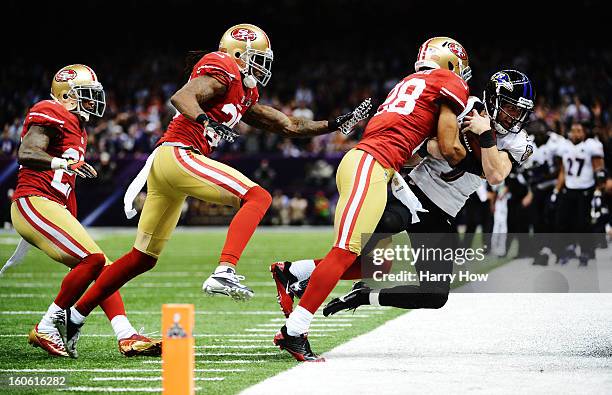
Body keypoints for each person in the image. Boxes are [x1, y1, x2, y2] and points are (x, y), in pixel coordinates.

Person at [55, 24, 371, 358]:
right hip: (179, 153)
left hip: (170, 165)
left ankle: (74, 316)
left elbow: (289, 125)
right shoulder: (222, 67)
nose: (263, 65)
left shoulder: (244, 91)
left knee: (141, 258)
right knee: (258, 196)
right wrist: (205, 121)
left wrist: (335, 124)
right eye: (257, 58)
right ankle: (225, 270)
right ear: (237, 54)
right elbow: (183, 96)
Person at [272, 70, 535, 324]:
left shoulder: (519, 140)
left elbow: (496, 173)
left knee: (434, 295)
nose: (515, 116)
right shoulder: (464, 107)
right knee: (365, 248)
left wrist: (485, 134)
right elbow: (432, 147)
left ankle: (363, 295)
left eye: (520, 111)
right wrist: (465, 148)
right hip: (414, 193)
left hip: (443, 212)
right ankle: (295, 275)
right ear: (493, 99)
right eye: (511, 107)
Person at [272, 37, 472, 361]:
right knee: (343, 252)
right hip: (371, 163)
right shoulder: (447, 81)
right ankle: (295, 331)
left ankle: (294, 273)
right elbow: (450, 149)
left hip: (382, 169)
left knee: (377, 264)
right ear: (450, 64)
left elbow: (411, 147)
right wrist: (480, 158)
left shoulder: (407, 84)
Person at [9, 65, 160, 358]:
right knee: (93, 259)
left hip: (53, 203)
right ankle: (47, 325)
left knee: (104, 268)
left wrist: (70, 218)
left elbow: (67, 187)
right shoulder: (49, 110)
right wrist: (61, 163)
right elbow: (26, 152)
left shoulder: (78, 128)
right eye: (86, 95)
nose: (93, 102)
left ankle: (126, 335)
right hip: (33, 200)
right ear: (66, 96)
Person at [552, 122, 605, 265]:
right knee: (563, 222)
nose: (576, 133)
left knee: (583, 224)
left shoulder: (590, 146)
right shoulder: (565, 147)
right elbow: (563, 171)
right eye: (573, 130)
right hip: (569, 188)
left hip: (585, 189)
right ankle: (567, 249)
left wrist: (599, 190)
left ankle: (586, 251)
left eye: (579, 131)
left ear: (584, 132)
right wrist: (556, 189)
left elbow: (599, 170)